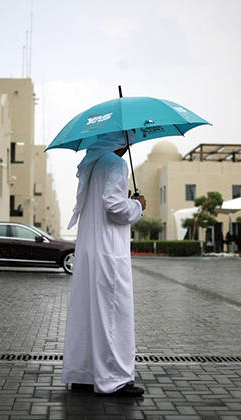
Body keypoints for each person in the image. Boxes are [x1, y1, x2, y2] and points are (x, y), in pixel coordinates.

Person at [61, 131, 146, 397]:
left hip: (88, 252)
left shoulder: (93, 164)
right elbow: (114, 205)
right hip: (109, 252)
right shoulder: (116, 164)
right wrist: (137, 205)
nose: (129, 147)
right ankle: (115, 379)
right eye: (128, 142)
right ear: (121, 142)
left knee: (87, 313)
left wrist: (128, 200)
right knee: (114, 314)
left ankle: (84, 374)